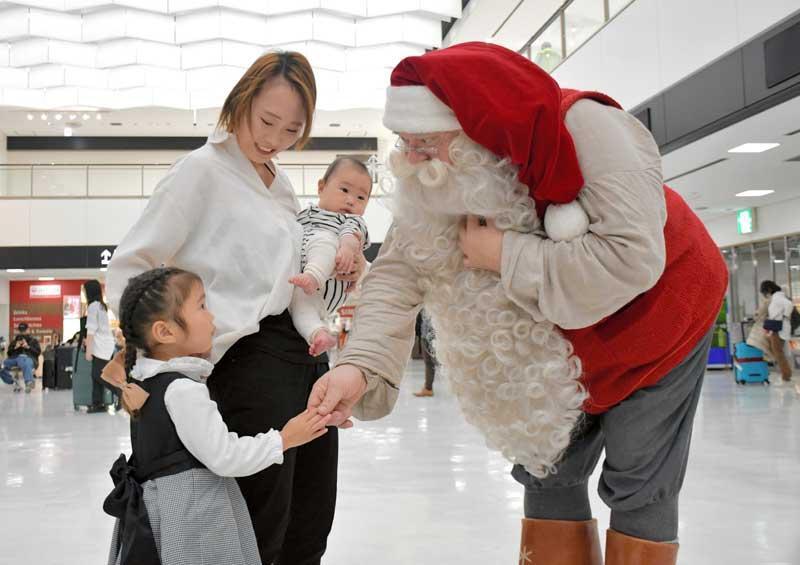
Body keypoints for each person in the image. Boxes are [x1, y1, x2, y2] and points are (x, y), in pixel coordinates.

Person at [307, 43, 728, 565]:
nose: (410, 160)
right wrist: (360, 366)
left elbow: (629, 259)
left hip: (659, 322)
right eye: (405, 142)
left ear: (474, 131)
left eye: (424, 143)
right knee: (546, 465)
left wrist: (505, 253)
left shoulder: (593, 132)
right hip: (551, 347)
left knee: (640, 479)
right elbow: (397, 273)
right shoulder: (440, 178)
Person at [103, 51, 364, 564]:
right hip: (244, 364)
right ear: (240, 101)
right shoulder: (200, 172)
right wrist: (150, 363)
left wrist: (345, 267)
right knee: (258, 529)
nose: (274, 139)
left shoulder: (281, 185)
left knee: (310, 522)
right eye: (266, 121)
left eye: (292, 129)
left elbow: (289, 277)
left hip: (302, 355)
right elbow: (133, 266)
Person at [104, 267, 330, 565]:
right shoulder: (183, 390)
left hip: (162, 515)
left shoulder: (145, 381)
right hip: (194, 518)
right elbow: (225, 456)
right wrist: (285, 439)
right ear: (165, 331)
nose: (212, 317)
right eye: (201, 306)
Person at [289, 157, 372, 356]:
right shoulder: (303, 215)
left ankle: (313, 275)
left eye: (361, 198)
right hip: (305, 287)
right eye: (344, 190)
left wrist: (346, 249)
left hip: (326, 279)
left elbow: (350, 237)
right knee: (301, 307)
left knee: (325, 241)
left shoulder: (351, 220)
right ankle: (318, 334)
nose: (351, 200)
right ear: (321, 187)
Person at [83, 279, 117, 412]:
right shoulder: (101, 306)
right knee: (96, 376)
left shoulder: (93, 307)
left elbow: (91, 331)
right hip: (106, 344)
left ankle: (121, 393)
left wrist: (88, 352)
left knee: (100, 375)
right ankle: (97, 403)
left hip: (101, 347)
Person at [760, 280, 794, 382]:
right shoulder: (778, 297)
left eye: (765, 292)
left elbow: (789, 304)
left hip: (778, 329)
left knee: (778, 352)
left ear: (769, 289)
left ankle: (786, 374)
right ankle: (786, 373)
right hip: (777, 328)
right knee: (778, 352)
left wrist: (785, 317)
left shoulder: (778, 298)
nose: (766, 294)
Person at [1, 322, 41, 393]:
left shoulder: (33, 341)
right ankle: (13, 382)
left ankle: (28, 382)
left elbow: (38, 352)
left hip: (29, 358)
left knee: (23, 360)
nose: (22, 332)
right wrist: (15, 347)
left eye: (24, 330)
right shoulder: (15, 341)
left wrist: (28, 347)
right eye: (21, 331)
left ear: (28, 330)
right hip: (15, 359)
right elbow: (9, 353)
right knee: (1, 365)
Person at [413, 310, 437, 397]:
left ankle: (428, 388)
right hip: (425, 334)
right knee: (428, 362)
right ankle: (428, 388)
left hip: (433, 336)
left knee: (434, 362)